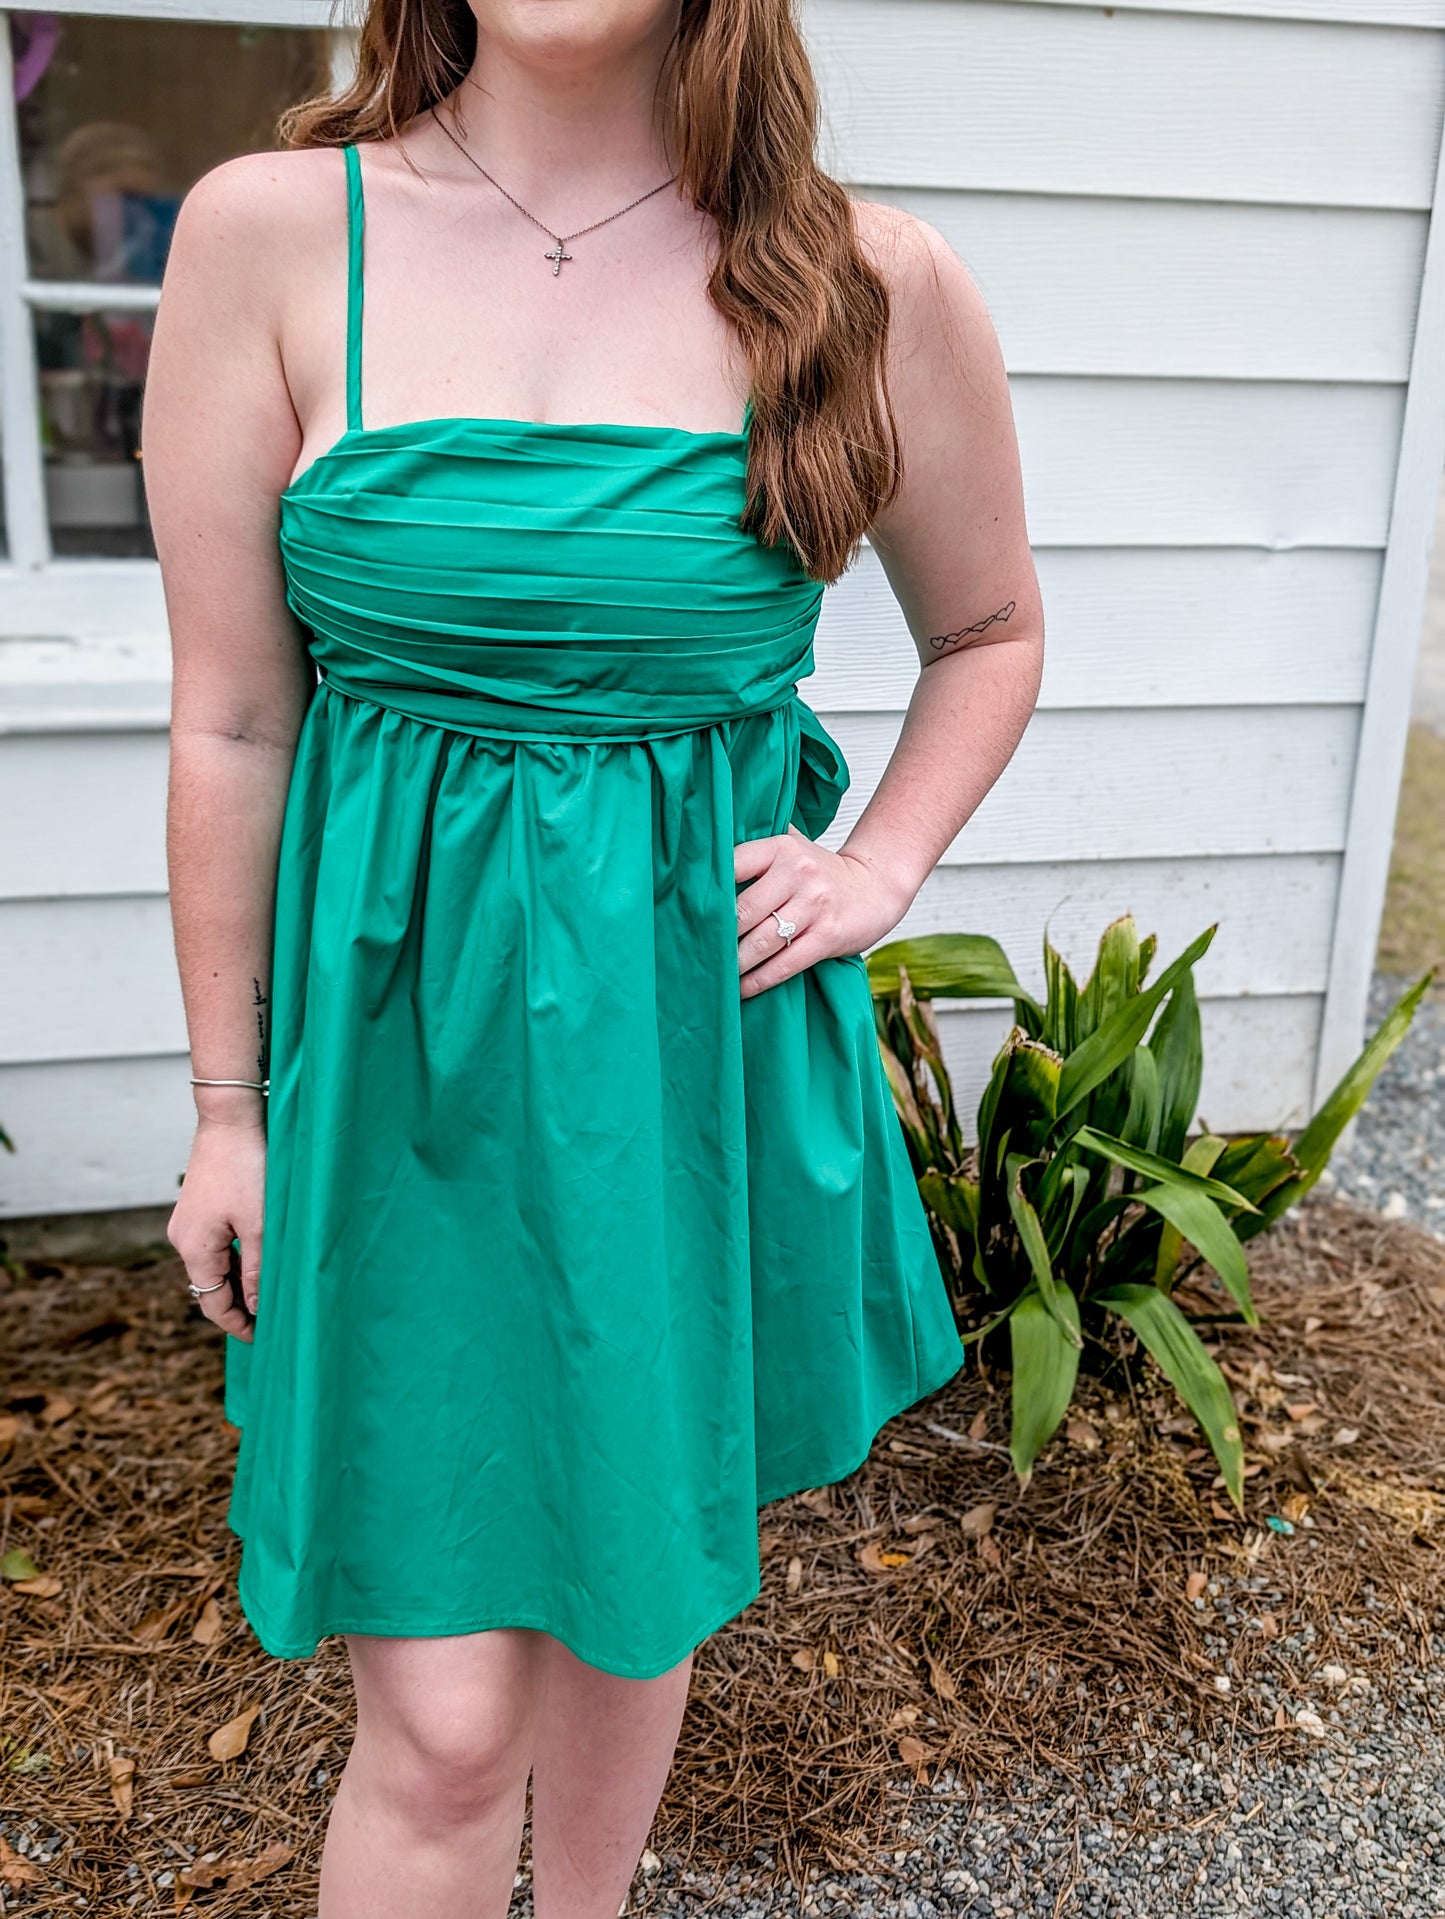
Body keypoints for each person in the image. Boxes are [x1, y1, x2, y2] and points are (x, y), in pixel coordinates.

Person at [141, 0, 1043, 1912]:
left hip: (678, 1059)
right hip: (399, 1069)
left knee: (631, 1611)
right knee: (450, 1728)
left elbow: (989, 629)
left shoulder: (866, 278)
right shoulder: (272, 234)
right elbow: (232, 720)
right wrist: (228, 1108)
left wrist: (881, 860)